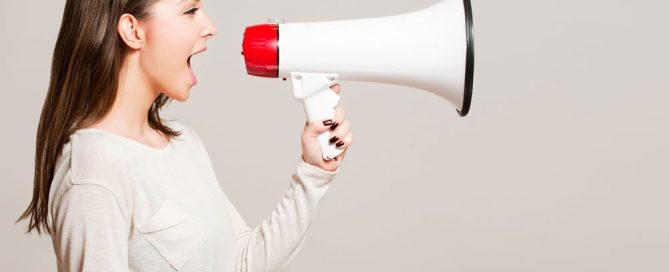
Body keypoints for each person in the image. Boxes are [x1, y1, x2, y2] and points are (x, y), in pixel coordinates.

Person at [16, 0, 353, 271]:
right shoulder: (94, 171)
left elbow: (241, 262)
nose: (210, 26)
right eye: (190, 10)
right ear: (133, 30)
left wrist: (314, 171)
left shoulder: (182, 143)